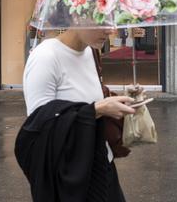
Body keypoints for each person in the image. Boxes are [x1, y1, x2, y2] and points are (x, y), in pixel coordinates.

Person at [15, 27, 136, 202]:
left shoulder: (91, 51)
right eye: (100, 20)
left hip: (102, 164)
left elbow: (89, 97)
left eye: (110, 20)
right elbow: (40, 128)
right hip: (70, 176)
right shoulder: (46, 57)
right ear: (76, 15)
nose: (110, 30)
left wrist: (122, 99)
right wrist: (96, 109)